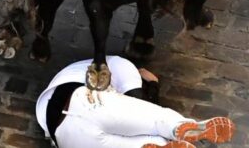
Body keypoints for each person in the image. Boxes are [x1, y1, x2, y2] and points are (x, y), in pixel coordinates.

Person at [36, 56, 235, 148]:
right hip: (85, 102)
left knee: (153, 142)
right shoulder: (122, 65)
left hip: (63, 134)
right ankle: (180, 127)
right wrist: (154, 84)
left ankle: (175, 136)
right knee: (158, 119)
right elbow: (139, 103)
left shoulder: (93, 67)